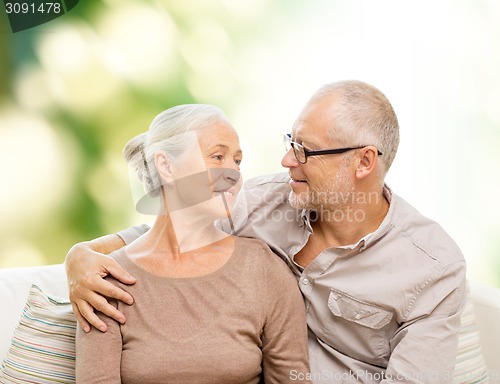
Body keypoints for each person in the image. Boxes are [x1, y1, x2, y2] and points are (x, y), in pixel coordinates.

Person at [67, 81, 466, 383]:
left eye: (305, 150)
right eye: (291, 141)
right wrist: (81, 255)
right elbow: (176, 233)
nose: (286, 159)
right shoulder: (266, 200)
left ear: (363, 162)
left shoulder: (432, 270)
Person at [74, 104, 311, 383]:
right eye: (217, 156)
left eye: (237, 161)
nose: (233, 174)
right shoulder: (105, 280)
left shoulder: (264, 269)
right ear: (166, 166)